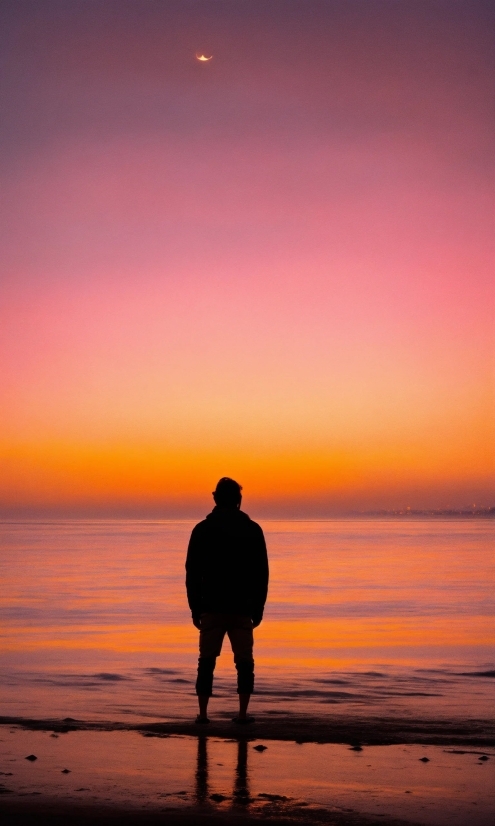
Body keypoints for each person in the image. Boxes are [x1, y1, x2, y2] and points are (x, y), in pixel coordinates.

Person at [185, 477, 269, 724]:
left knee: (206, 661)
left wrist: (194, 608)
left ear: (215, 499)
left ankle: (203, 714)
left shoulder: (202, 530)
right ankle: (242, 714)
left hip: (211, 605)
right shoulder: (252, 530)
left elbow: (192, 572)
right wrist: (259, 607)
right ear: (239, 501)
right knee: (244, 662)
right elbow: (261, 573)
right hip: (242, 607)